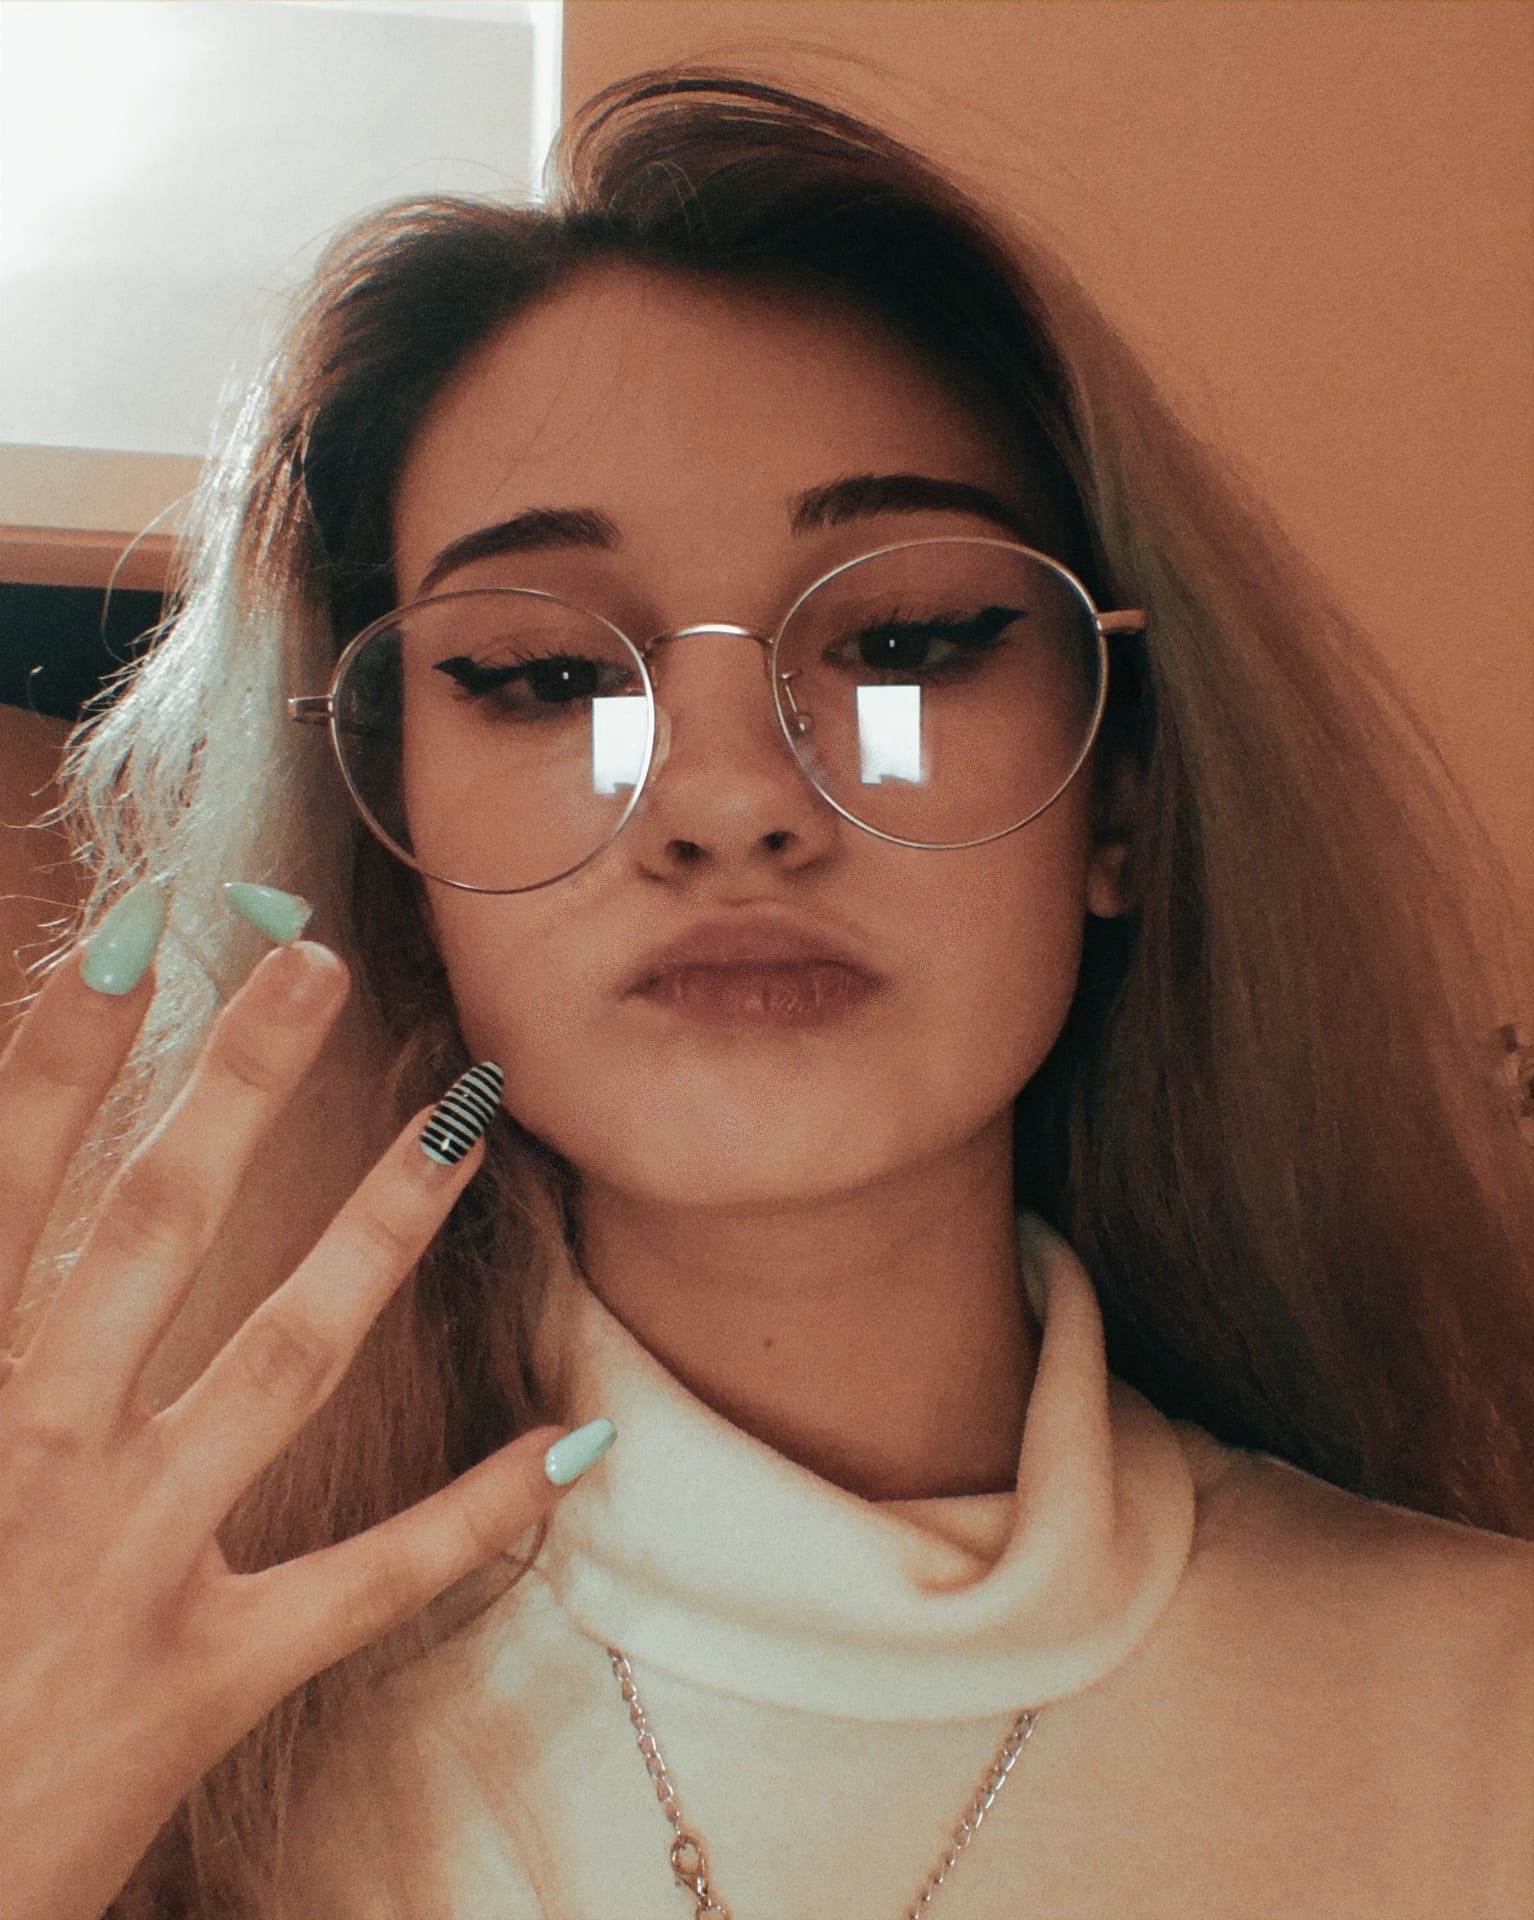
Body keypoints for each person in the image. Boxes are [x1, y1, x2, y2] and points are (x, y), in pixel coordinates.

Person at [3, 61, 1531, 1920]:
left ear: (1121, 789)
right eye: (546, 677)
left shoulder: (1485, 1718)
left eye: (903, 640)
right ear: (395, 845)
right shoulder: (142, 1742)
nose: (727, 797)